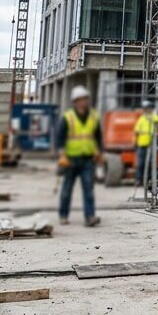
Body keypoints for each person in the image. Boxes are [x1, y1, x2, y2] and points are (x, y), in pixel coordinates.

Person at [56, 86, 102, 226]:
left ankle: (90, 217)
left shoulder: (94, 116)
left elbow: (98, 136)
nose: (83, 102)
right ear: (74, 102)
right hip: (71, 159)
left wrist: (99, 152)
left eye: (85, 99)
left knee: (88, 190)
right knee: (67, 189)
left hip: (88, 159)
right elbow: (60, 137)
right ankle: (63, 215)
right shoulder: (68, 117)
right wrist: (61, 155)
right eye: (80, 100)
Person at [132, 100, 158, 190]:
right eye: (145, 108)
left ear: (151, 109)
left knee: (151, 164)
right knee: (141, 164)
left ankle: (149, 182)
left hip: (152, 145)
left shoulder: (155, 118)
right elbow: (136, 131)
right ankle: (139, 181)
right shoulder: (141, 119)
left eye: (148, 108)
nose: (146, 110)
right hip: (142, 145)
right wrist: (134, 142)